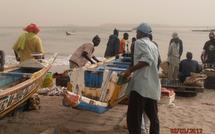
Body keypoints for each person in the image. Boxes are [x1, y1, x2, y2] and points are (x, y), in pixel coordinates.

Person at [122, 22, 160, 134]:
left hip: (140, 86)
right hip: (152, 86)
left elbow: (147, 59)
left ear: (141, 33)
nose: (136, 34)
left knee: (133, 118)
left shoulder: (139, 42)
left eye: (137, 32)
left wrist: (130, 70)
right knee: (153, 117)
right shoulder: (153, 45)